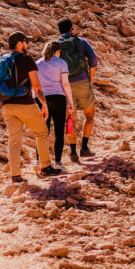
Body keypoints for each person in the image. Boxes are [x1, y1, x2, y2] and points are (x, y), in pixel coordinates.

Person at [0, 31, 62, 182]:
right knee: (41, 132)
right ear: (19, 44)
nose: (28, 45)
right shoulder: (26, 60)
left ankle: (15, 175)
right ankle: (45, 167)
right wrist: (44, 104)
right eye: (25, 42)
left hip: (6, 106)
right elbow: (36, 84)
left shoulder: (2, 61)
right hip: (24, 104)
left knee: (14, 140)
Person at [56, 17, 98, 161]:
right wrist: (89, 79)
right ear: (71, 29)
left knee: (70, 119)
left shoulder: (55, 45)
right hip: (82, 81)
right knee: (90, 115)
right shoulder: (80, 41)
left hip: (64, 85)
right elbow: (93, 60)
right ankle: (84, 148)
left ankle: (73, 151)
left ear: (59, 31)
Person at [36, 40, 75, 167]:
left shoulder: (37, 63)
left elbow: (35, 85)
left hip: (42, 100)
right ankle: (58, 162)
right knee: (59, 131)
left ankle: (39, 161)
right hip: (58, 98)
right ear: (57, 51)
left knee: (42, 132)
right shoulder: (61, 63)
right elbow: (65, 83)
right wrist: (71, 101)